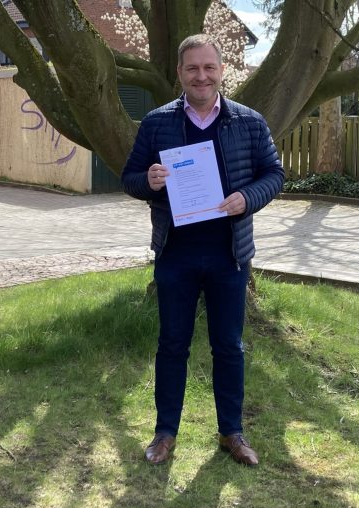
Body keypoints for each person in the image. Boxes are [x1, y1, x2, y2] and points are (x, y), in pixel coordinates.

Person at [121, 34, 284, 467]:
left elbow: (274, 175)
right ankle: (165, 433)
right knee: (172, 344)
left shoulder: (248, 122)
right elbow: (130, 177)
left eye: (209, 67)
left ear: (222, 70)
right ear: (180, 73)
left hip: (229, 255)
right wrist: (149, 180)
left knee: (229, 346)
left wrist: (248, 198)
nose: (201, 76)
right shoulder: (157, 122)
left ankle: (232, 431)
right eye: (192, 68)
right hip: (175, 254)